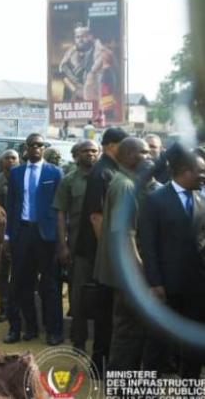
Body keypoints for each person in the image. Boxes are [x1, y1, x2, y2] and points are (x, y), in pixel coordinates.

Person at [139, 146, 205, 377]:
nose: (204, 176)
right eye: (201, 171)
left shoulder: (200, 199)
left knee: (194, 348)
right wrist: (155, 283)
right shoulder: (155, 200)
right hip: (165, 287)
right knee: (158, 344)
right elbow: (147, 245)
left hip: (196, 288)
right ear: (185, 171)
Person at [94, 137, 156, 371]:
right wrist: (139, 270)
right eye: (144, 152)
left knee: (127, 331)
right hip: (128, 273)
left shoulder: (124, 181)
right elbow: (124, 234)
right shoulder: (125, 186)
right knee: (127, 333)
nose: (148, 157)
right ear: (129, 155)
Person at [74, 126, 127, 371]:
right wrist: (107, 253)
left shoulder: (114, 169)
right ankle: (99, 364)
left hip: (104, 252)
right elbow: (96, 217)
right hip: (99, 252)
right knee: (104, 311)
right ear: (112, 145)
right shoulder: (102, 172)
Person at [3, 133, 64, 346]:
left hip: (46, 235)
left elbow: (60, 209)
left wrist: (61, 239)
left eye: (40, 145)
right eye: (33, 145)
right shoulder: (16, 173)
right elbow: (10, 206)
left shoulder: (55, 172)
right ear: (26, 148)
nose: (37, 148)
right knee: (19, 284)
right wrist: (8, 235)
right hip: (22, 233)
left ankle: (54, 331)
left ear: (44, 147)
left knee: (50, 285)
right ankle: (22, 328)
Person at [53, 139, 99, 352]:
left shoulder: (106, 178)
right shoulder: (69, 181)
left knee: (103, 295)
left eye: (94, 151)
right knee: (78, 296)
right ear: (77, 155)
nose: (91, 154)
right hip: (79, 248)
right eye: (86, 151)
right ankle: (78, 341)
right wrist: (62, 245)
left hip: (103, 249)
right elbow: (60, 213)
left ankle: (100, 340)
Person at [0, 149, 19, 323]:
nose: (11, 160)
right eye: (7, 158)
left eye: (14, 157)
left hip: (20, 231)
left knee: (19, 272)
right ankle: (3, 308)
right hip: (1, 232)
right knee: (1, 272)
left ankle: (17, 308)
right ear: (2, 162)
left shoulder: (22, 179)